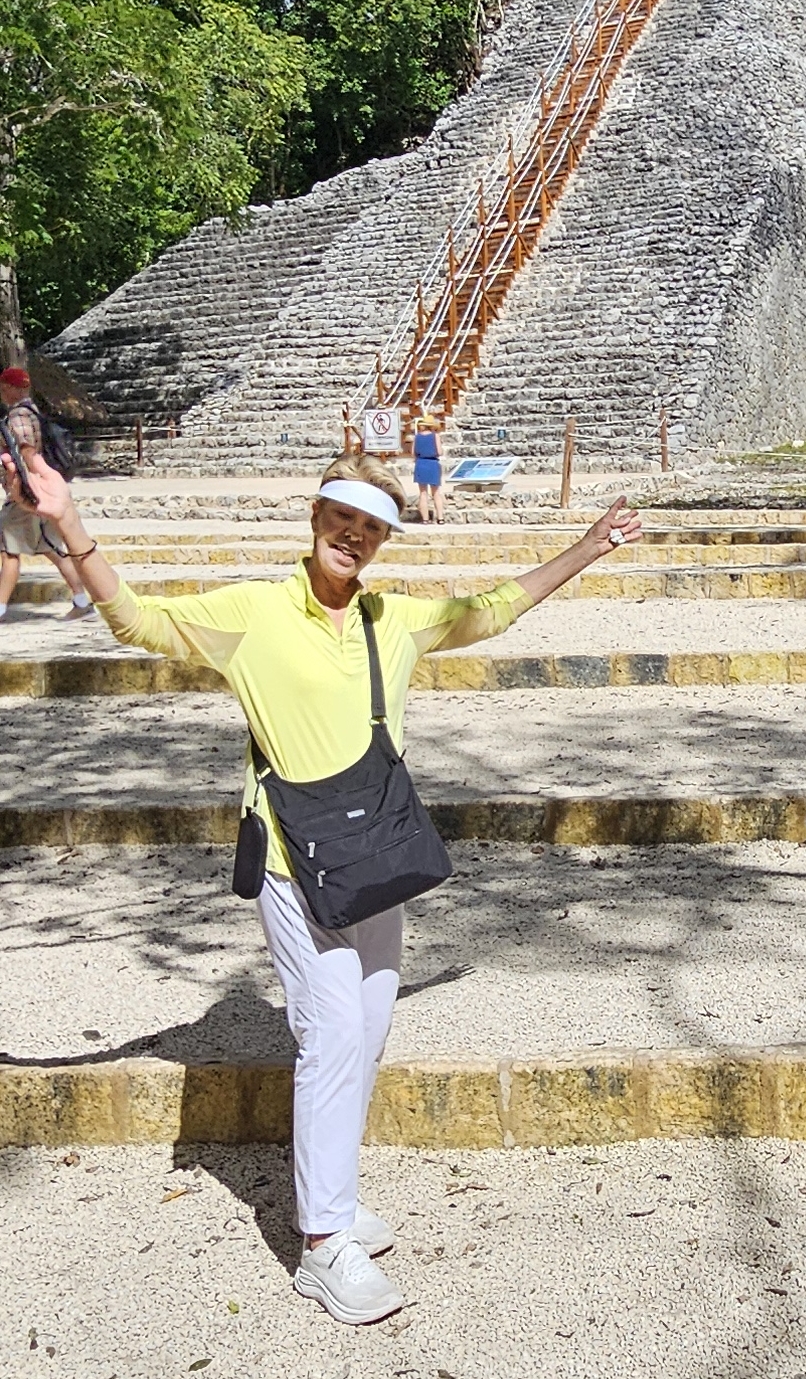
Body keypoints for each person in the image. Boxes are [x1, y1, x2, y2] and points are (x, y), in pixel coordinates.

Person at [0, 441, 641, 1328]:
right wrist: (67, 520)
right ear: (315, 517)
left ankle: (332, 1193)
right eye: (343, 519)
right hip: (291, 861)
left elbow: (493, 608)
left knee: (367, 1027)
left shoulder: (393, 619)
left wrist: (590, 546)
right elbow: (138, 621)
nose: (354, 537)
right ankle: (322, 1244)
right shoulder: (255, 612)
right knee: (334, 1028)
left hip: (375, 858)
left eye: (371, 527)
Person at [0, 366, 94, 624]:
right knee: (51, 548)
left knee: (8, 550)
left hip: (25, 493)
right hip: (38, 492)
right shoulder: (34, 411)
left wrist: (27, 486)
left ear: (10, 388)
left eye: (4, 388)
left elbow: (27, 452)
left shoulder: (18, 415)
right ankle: (81, 601)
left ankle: (0, 607)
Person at [411, 412, 444, 524]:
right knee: (436, 492)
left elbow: (413, 453)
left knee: (423, 493)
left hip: (421, 463)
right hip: (432, 463)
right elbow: (439, 452)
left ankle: (425, 519)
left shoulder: (417, 437)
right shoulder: (435, 436)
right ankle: (440, 518)